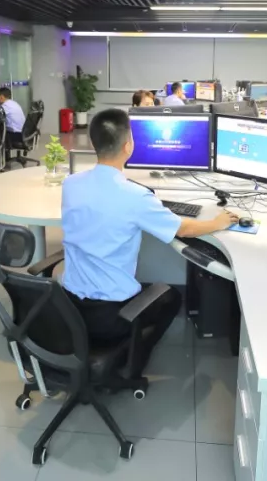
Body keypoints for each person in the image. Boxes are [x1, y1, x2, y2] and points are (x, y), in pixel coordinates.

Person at [62, 109, 238, 371]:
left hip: (68, 307)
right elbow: (183, 229)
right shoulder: (135, 196)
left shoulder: (71, 183)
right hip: (110, 316)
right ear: (128, 146)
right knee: (171, 298)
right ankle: (131, 361)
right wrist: (217, 222)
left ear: (92, 142)